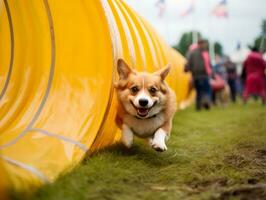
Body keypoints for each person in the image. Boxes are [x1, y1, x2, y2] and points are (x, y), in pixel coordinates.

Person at [185, 39, 212, 110]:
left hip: (195, 76)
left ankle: (198, 107)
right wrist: (212, 74)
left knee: (199, 91)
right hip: (204, 75)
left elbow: (188, 63)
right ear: (202, 44)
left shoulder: (192, 53)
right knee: (207, 90)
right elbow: (209, 65)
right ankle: (206, 101)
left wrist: (186, 69)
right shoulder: (205, 53)